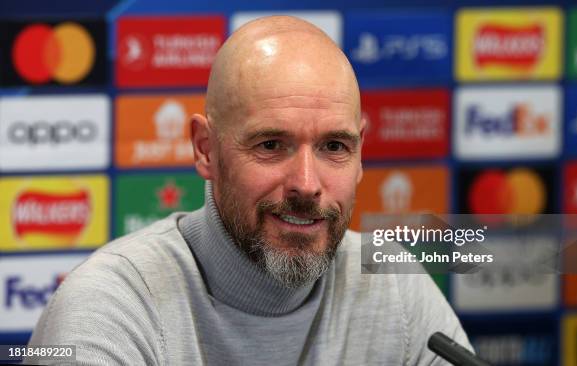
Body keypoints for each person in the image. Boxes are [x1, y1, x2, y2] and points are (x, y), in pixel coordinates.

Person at [28, 16, 471, 365]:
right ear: (206, 150)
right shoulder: (110, 309)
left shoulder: (395, 287)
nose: (306, 183)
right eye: (271, 145)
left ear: (359, 154)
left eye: (334, 146)